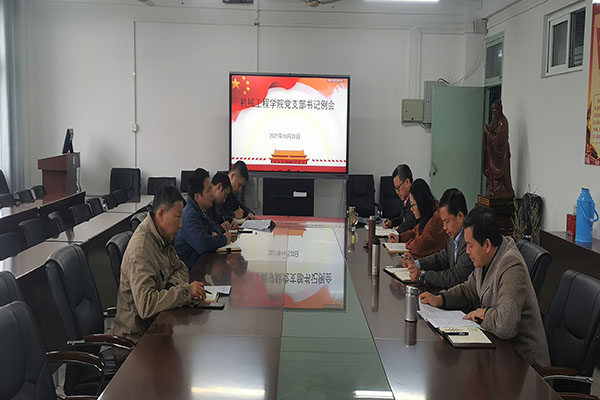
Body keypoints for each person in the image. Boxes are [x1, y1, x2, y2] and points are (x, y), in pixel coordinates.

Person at [419, 206, 550, 369]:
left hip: (524, 365)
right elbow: (468, 290)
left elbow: (506, 325)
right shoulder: (486, 258)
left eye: (470, 245)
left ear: (487, 244)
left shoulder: (511, 265)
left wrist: (484, 313)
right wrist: (440, 299)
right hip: (498, 351)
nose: (467, 251)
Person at [113, 186, 206, 344]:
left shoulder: (161, 236)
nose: (181, 225)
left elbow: (181, 268)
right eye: (178, 217)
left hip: (157, 326)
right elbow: (147, 305)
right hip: (136, 342)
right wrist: (185, 292)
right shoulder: (142, 249)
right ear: (161, 214)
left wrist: (170, 289)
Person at [402, 188, 474, 288]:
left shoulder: (470, 241)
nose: (444, 227)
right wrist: (416, 263)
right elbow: (441, 258)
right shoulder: (454, 235)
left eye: (447, 221)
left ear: (460, 216)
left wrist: (423, 276)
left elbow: (455, 277)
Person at [174, 168, 232, 269]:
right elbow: (203, 244)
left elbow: (215, 229)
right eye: (208, 190)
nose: (212, 194)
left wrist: (213, 237)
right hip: (188, 272)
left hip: (200, 266)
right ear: (197, 197)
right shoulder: (190, 215)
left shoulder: (199, 212)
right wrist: (224, 239)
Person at [387, 178, 447, 258]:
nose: (411, 209)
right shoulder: (428, 213)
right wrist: (400, 238)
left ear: (421, 203)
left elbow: (417, 248)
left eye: (412, 205)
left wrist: (407, 244)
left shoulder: (437, 219)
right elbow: (415, 231)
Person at [483, 100, 514, 197]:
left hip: (501, 153)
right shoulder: (495, 121)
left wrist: (487, 132)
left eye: (495, 109)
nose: (493, 111)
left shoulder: (503, 122)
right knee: (490, 169)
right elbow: (492, 131)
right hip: (492, 152)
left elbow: (497, 138)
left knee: (502, 173)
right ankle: (492, 187)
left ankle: (501, 188)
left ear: (500, 109)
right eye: (492, 109)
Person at [382, 164, 417, 234]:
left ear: (407, 182)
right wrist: (391, 222)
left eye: (398, 188)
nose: (397, 193)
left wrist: (398, 229)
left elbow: (410, 222)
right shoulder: (406, 200)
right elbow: (402, 219)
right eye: (396, 189)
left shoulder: (416, 198)